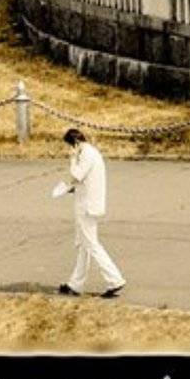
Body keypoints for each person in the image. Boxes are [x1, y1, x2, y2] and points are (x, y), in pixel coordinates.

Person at [51, 127, 125, 298]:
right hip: (88, 203)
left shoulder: (86, 154)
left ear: (75, 143)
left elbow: (76, 175)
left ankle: (115, 279)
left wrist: (72, 159)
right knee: (84, 245)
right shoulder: (89, 153)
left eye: (69, 147)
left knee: (91, 244)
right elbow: (83, 181)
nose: (69, 150)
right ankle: (75, 284)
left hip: (87, 207)